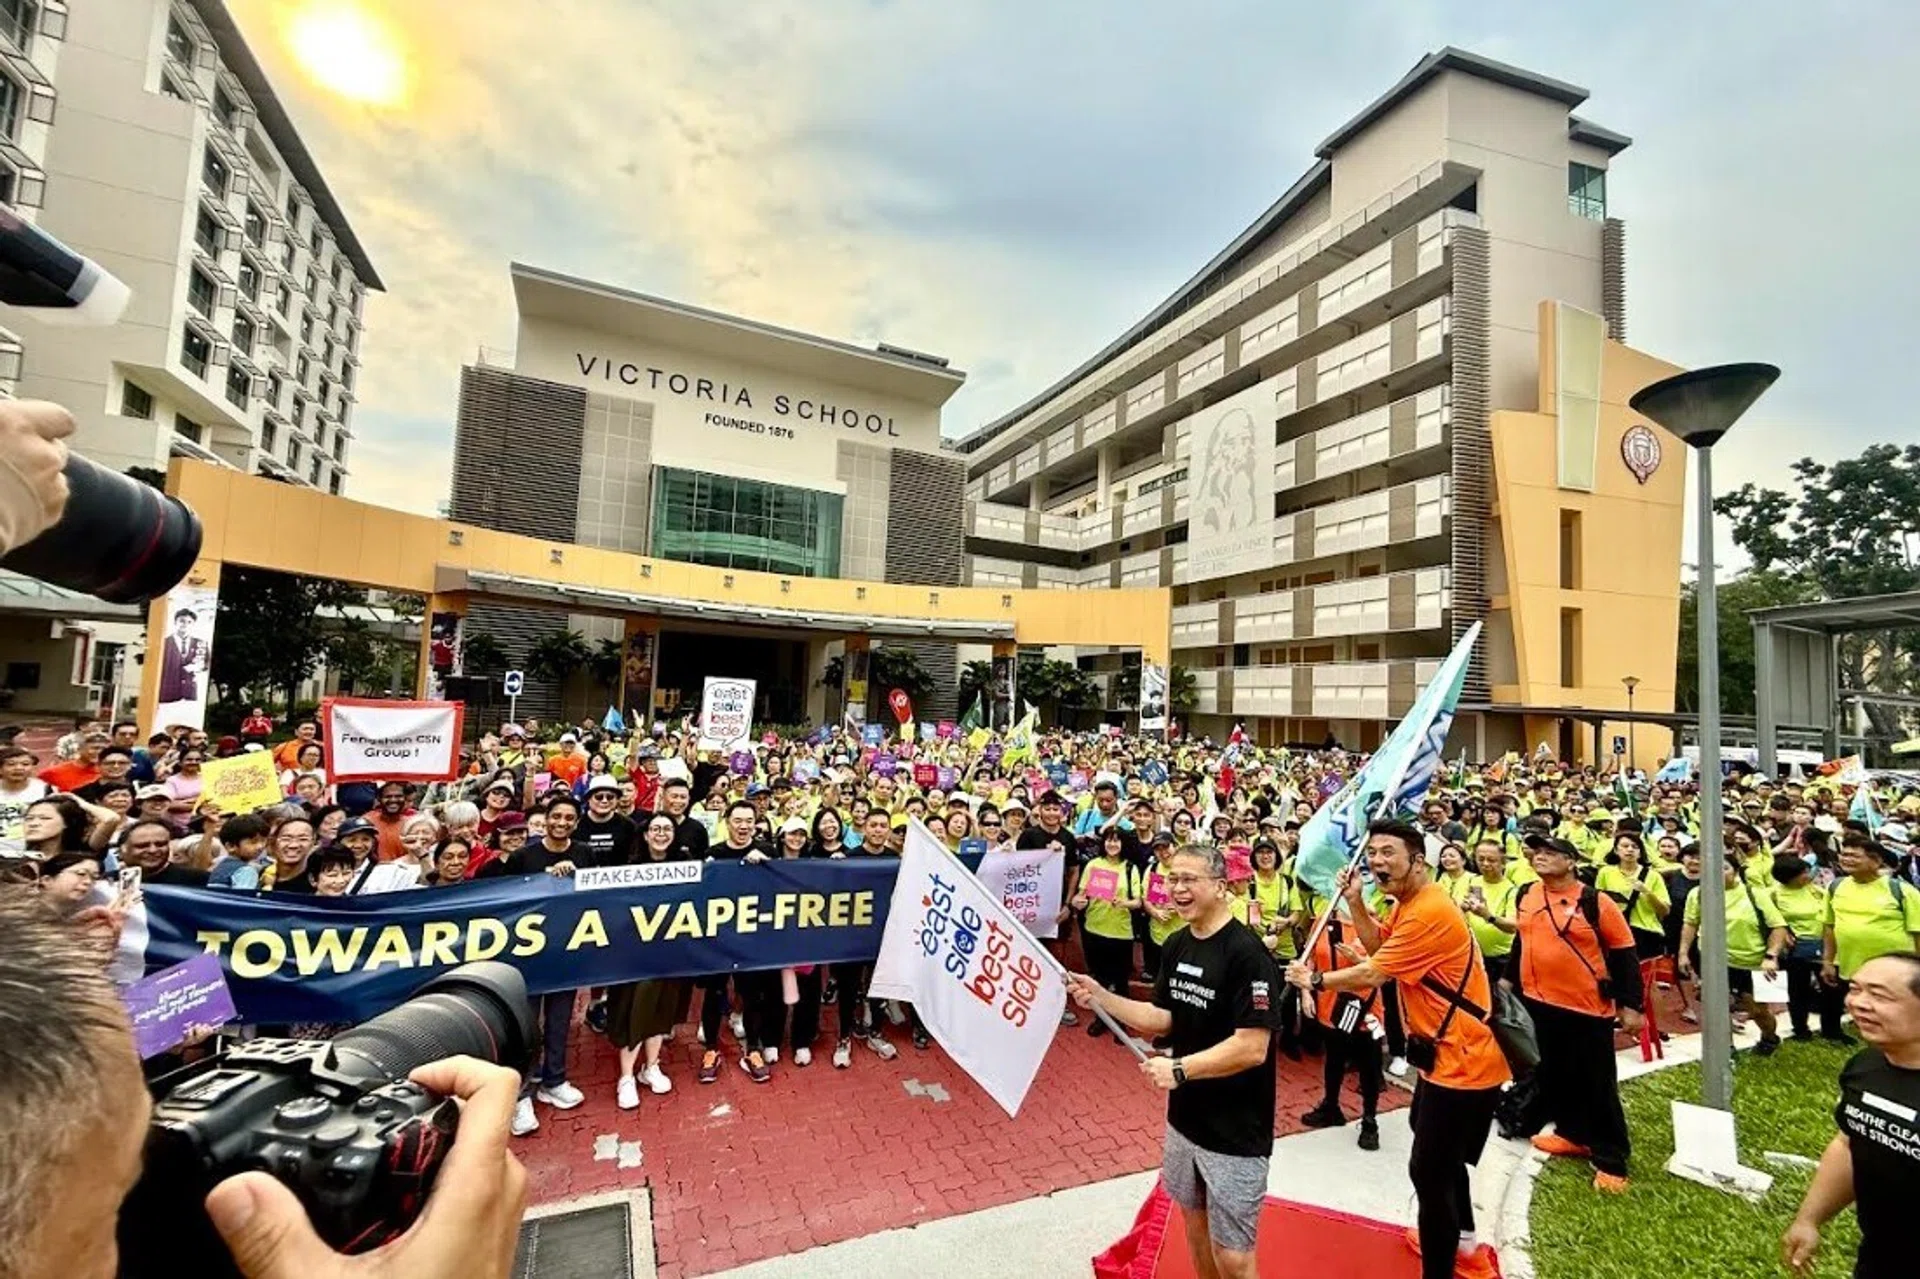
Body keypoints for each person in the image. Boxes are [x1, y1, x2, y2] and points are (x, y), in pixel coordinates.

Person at [1284, 821, 1510, 1279]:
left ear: (1418, 861)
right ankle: (1463, 1242)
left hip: (1464, 1062)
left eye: (1389, 853)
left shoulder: (1429, 910)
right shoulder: (1408, 903)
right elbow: (1378, 946)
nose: (1377, 862)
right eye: (1373, 854)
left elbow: (1375, 972)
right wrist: (1353, 901)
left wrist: (1317, 980)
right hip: (1443, 1058)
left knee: (1429, 1173)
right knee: (1436, 1156)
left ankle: (1444, 1265)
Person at [1067, 843, 1278, 1279]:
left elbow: (1252, 1046)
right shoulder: (1179, 943)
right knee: (1195, 1230)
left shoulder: (1247, 953)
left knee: (1235, 1258)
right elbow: (1164, 1017)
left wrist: (1180, 1069)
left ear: (1220, 887)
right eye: (1171, 879)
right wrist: (1102, 997)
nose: (1177, 889)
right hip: (1185, 1122)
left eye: (1189, 880)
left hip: (1236, 1131)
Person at [1505, 834, 1644, 1192]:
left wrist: (1631, 1004)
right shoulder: (1527, 894)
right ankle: (1572, 1132)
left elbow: (1624, 952)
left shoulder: (1595, 902)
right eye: (1537, 852)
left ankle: (1611, 1157)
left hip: (1584, 1006)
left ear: (1571, 862)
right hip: (1538, 1000)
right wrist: (1508, 978)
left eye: (1551, 853)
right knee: (1553, 1073)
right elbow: (1523, 938)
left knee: (1596, 1082)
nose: (1541, 857)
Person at [1782, 953, 1920, 1279]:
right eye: (1855, 989)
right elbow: (1850, 1142)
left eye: (1879, 995)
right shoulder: (1864, 1067)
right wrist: (1809, 1219)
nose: (1858, 1003)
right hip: (1881, 1255)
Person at [606, 812, 697, 1106]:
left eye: (667, 829)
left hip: (669, 953)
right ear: (645, 835)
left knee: (661, 1011)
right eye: (655, 828)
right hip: (634, 954)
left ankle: (652, 1066)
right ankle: (626, 1076)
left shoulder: (686, 866)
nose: (661, 834)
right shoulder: (629, 868)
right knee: (634, 1010)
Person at [1680, 849, 1790, 1055]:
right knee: (1717, 1007)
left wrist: (1771, 956)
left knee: (1758, 1010)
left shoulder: (1755, 894)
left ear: (1736, 871)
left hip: (1755, 962)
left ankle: (1770, 1037)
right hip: (1716, 962)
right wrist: (1683, 953)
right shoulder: (1698, 894)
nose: (1718, 873)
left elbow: (1778, 926)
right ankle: (1726, 1049)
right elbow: (1690, 923)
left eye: (1724, 868)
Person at [1823, 832, 1920, 990]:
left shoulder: (1901, 890)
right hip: (1850, 971)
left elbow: (1918, 933)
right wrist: (1828, 961)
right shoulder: (1835, 887)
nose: (1846, 860)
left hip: (1895, 975)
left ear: (1876, 861)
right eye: (1844, 854)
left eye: (1854, 856)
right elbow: (1829, 926)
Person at [1072, 826, 1141, 1039]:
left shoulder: (1130, 868)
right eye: (1109, 840)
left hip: (1120, 931)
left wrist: (1124, 903)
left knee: (1120, 981)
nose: (1112, 844)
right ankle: (1101, 1018)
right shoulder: (1093, 865)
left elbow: (1138, 901)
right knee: (1099, 978)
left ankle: (1121, 1022)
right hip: (1094, 928)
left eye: (1117, 840)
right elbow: (1081, 895)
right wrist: (1078, 902)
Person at [1772, 854, 1848, 1043]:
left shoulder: (1815, 890)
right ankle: (1800, 1029)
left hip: (1823, 945)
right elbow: (1769, 920)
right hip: (1796, 950)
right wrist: (1785, 932)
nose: (1808, 875)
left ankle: (1832, 1030)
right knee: (1798, 991)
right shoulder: (1773, 894)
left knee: (1832, 988)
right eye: (1803, 873)